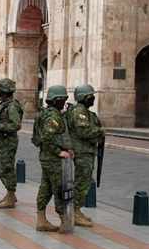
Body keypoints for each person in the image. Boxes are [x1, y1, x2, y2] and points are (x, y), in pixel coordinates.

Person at [34, 85, 73, 233]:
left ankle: (41, 219)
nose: (64, 102)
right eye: (63, 99)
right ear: (57, 100)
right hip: (52, 159)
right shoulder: (53, 116)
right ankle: (64, 221)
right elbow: (47, 137)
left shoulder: (46, 113)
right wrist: (59, 152)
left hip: (46, 157)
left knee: (46, 187)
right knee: (58, 188)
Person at [66, 84, 104, 227]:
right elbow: (84, 132)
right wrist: (100, 131)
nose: (93, 98)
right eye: (91, 96)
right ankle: (74, 211)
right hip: (82, 152)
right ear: (84, 97)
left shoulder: (86, 113)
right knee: (82, 182)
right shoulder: (79, 112)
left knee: (84, 181)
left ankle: (77, 210)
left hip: (86, 151)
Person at [0, 78, 24, 209]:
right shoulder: (4, 104)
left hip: (9, 141)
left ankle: (10, 195)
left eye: (0, 90)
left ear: (4, 91)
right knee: (2, 167)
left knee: (6, 168)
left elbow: (16, 125)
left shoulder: (12, 106)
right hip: (3, 140)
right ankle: (10, 194)